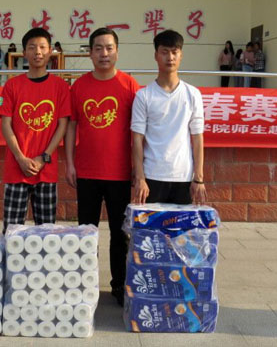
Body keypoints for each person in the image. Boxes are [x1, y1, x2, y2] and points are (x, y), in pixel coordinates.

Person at [64, 27, 140, 307]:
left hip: (120, 173)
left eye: (109, 48)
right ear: (90, 53)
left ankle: (119, 285)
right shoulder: (79, 86)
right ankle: (86, 285)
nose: (104, 54)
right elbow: (71, 127)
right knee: (86, 233)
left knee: (120, 234)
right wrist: (69, 163)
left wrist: (137, 168)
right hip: (87, 172)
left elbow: (138, 131)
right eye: (98, 48)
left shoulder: (129, 85)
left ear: (117, 51)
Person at [0, 28, 71, 233]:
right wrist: (20, 158)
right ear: (24, 53)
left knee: (46, 234)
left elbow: (62, 125)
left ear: (50, 52)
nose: (38, 52)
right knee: (12, 232)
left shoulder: (60, 86)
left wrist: (44, 157)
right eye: (32, 47)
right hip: (16, 170)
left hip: (46, 171)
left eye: (42, 47)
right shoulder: (12, 85)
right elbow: (5, 124)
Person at [131, 30, 207, 206]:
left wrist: (199, 178)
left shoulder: (192, 94)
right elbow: (137, 139)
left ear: (181, 55)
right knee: (150, 225)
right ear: (156, 55)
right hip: (152, 176)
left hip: (183, 177)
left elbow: (197, 138)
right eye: (164, 52)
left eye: (174, 52)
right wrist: (140, 178)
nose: (170, 57)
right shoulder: (144, 96)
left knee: (182, 225)